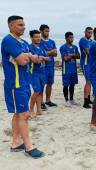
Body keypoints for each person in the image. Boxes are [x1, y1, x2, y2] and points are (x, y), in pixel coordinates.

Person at [1, 15, 44, 158]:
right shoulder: (8, 40)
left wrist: (29, 56)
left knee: (18, 113)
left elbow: (35, 58)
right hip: (15, 85)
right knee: (24, 115)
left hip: (25, 83)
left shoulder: (23, 42)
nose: (23, 27)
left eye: (24, 24)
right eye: (20, 25)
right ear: (11, 26)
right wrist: (29, 56)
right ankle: (28, 147)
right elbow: (22, 61)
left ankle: (15, 143)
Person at [29, 30, 50, 117]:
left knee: (41, 91)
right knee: (36, 91)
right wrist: (41, 58)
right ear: (31, 38)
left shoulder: (41, 48)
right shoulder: (30, 48)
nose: (38, 38)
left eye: (39, 37)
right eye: (36, 37)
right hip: (34, 72)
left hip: (42, 72)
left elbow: (48, 59)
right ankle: (30, 110)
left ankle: (39, 110)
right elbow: (36, 60)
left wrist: (43, 58)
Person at [39, 24, 58, 109]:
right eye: (46, 31)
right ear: (41, 31)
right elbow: (41, 53)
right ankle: (41, 102)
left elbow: (56, 53)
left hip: (51, 66)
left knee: (50, 83)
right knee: (42, 84)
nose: (47, 33)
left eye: (48, 31)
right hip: (43, 66)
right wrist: (50, 52)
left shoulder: (52, 41)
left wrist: (48, 52)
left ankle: (48, 100)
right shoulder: (39, 41)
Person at [60, 32, 80, 107]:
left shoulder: (75, 47)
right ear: (66, 38)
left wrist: (71, 55)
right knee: (66, 85)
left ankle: (71, 99)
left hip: (73, 69)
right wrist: (73, 55)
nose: (72, 39)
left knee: (72, 84)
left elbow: (78, 56)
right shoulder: (63, 47)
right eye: (70, 37)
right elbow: (65, 58)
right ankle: (66, 100)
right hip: (66, 69)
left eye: (72, 37)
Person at [79, 27, 93, 109]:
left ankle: (88, 99)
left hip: (91, 64)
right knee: (88, 81)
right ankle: (85, 102)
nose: (90, 34)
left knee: (90, 81)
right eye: (88, 32)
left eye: (91, 33)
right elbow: (88, 53)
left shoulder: (92, 41)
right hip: (85, 63)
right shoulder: (83, 40)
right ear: (85, 32)